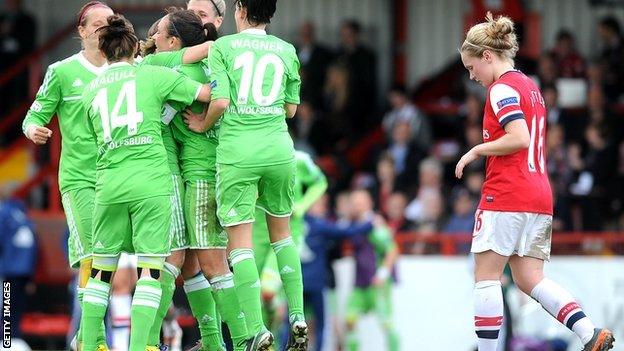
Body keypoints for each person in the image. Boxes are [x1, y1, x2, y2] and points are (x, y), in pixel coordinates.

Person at [455, 12, 615, 351]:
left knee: (485, 277)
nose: (472, 77)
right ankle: (589, 333)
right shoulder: (532, 88)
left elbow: (519, 137)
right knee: (530, 279)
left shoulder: (501, 90)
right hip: (539, 196)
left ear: (487, 56)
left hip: (507, 192)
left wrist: (476, 150)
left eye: (472, 68)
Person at [79, 14, 213, 351]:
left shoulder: (90, 90)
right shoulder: (153, 75)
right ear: (133, 45)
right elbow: (206, 94)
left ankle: (89, 342)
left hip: (108, 184)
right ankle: (140, 346)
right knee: (151, 270)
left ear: (104, 50)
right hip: (151, 184)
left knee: (100, 272)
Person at [185, 0, 305, 349]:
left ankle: (256, 329)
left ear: (239, 10)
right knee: (282, 236)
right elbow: (291, 109)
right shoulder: (286, 49)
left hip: (239, 151)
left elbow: (219, 102)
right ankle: (297, 315)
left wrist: (200, 124)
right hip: (279, 149)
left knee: (241, 246)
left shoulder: (224, 47)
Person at [21, 2, 114, 349]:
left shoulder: (127, 68)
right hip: (80, 178)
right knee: (93, 255)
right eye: (99, 23)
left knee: (117, 261)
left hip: (121, 177)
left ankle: (93, 336)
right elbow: (34, 115)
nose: (106, 28)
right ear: (82, 30)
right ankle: (93, 338)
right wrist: (33, 130)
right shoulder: (61, 71)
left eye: (111, 22)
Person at [301, 194, 374, 351]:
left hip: (297, 282)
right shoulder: (319, 225)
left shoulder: (296, 224)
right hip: (317, 282)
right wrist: (369, 225)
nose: (323, 208)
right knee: (322, 322)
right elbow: (345, 232)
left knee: (295, 322)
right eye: (320, 205)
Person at [344, 189, 399, 351]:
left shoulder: (374, 224)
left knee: (386, 323)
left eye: (360, 202)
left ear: (369, 203)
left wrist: (382, 274)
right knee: (350, 318)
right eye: (354, 203)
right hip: (360, 282)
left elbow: (392, 250)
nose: (356, 206)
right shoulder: (354, 224)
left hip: (376, 282)